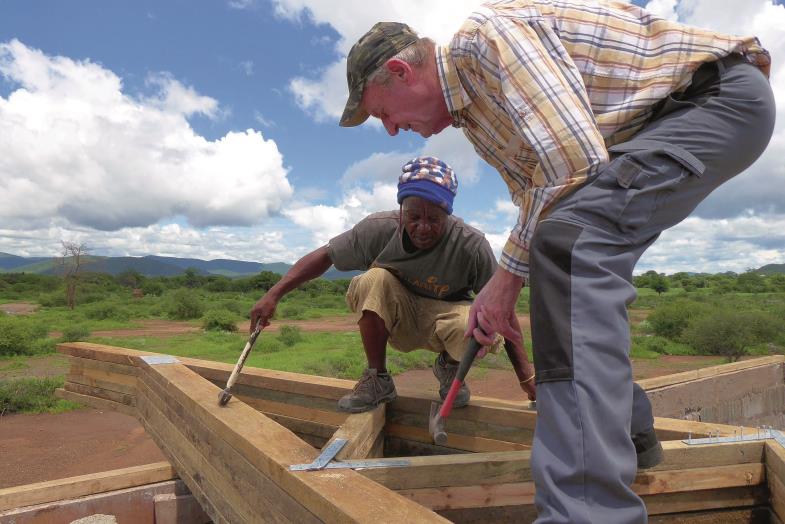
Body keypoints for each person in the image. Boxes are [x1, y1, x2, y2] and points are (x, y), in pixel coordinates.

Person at [339, 2, 775, 522]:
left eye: (382, 112)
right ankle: (632, 437)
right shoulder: (478, 123)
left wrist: (504, 278)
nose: (390, 130)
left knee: (570, 247)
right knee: (559, 255)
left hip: (710, 102)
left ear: (400, 72)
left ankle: (585, 511)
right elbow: (538, 202)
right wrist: (502, 289)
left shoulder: (484, 39)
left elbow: (574, 161)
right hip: (659, 131)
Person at [250, 156, 536, 413]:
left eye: (434, 219)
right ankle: (378, 379)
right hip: (400, 318)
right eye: (413, 217)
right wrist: (273, 295)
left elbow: (503, 309)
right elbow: (326, 255)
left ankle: (450, 370)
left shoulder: (471, 245)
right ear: (401, 211)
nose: (423, 226)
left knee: (479, 320)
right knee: (373, 279)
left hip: (449, 323)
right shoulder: (379, 229)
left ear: (448, 214)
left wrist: (526, 377)